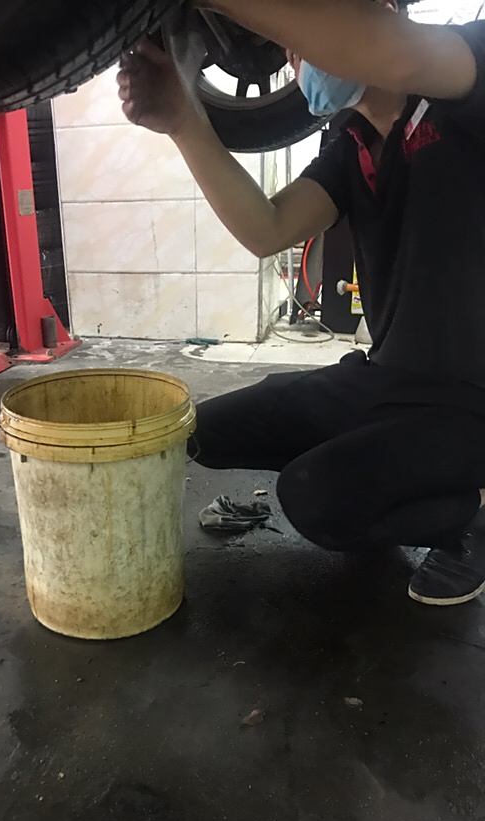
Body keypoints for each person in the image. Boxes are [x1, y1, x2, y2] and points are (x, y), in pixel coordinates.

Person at [117, 0, 485, 606]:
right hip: (386, 382)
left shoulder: (467, 78)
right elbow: (267, 229)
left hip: (470, 403)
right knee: (202, 432)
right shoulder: (350, 143)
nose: (291, 53)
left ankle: (466, 520)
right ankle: (389, 487)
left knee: (313, 498)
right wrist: (182, 120)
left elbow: (393, 53)